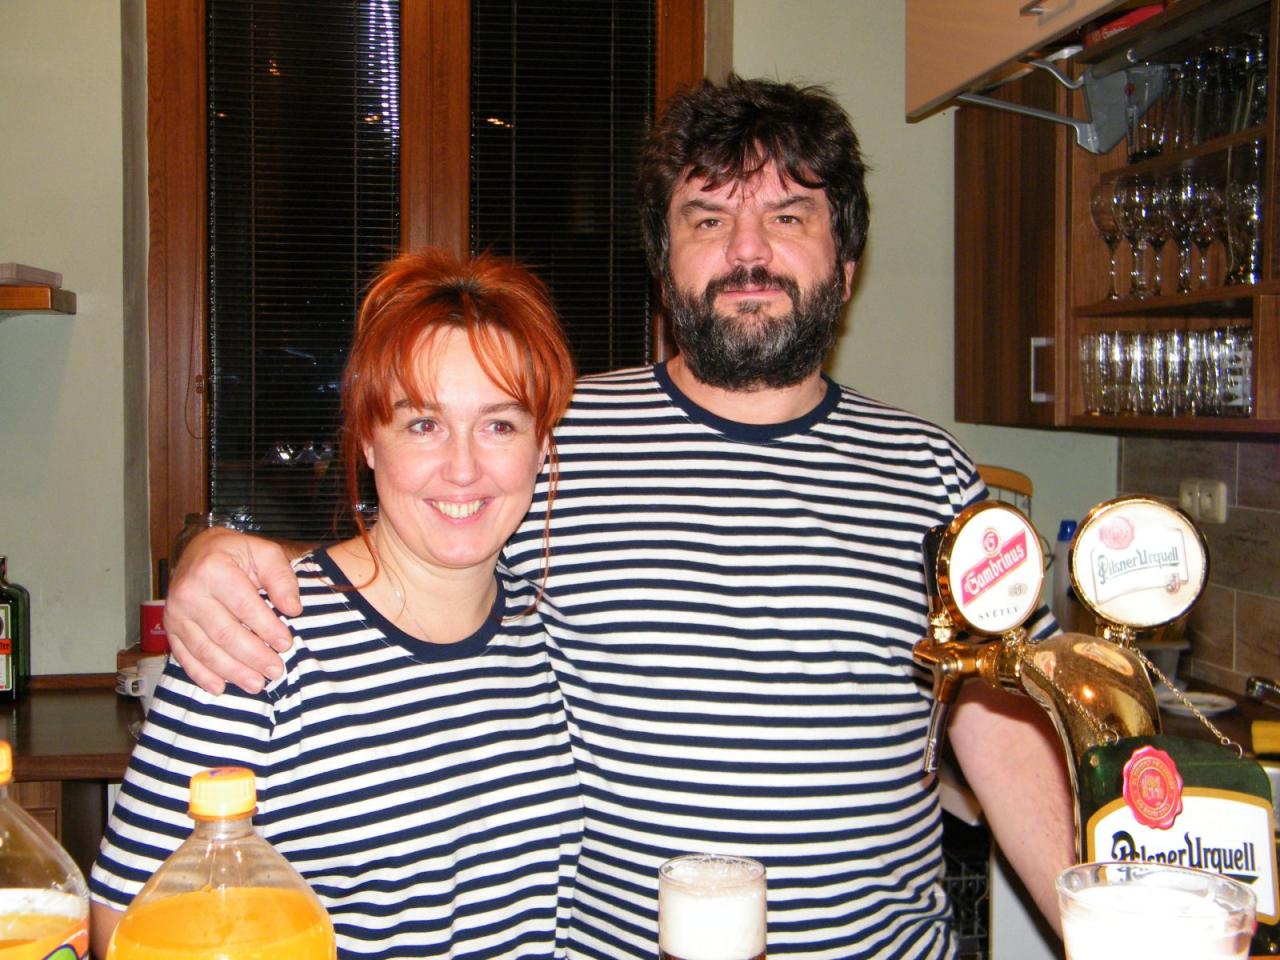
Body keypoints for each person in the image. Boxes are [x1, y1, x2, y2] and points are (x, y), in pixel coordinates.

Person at [161, 76, 1075, 959]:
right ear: (662, 265)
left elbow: (1006, 725)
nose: (746, 251)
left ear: (845, 267)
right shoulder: (555, 438)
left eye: (788, 217)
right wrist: (216, 552)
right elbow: (416, 545)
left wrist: (1096, 931)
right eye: (706, 220)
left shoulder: (930, 474)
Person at [90, 249, 584, 959]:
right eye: (423, 424)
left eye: (499, 425)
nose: (464, 467)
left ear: (542, 447)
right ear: (370, 443)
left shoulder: (550, 636)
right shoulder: (257, 637)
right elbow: (123, 925)